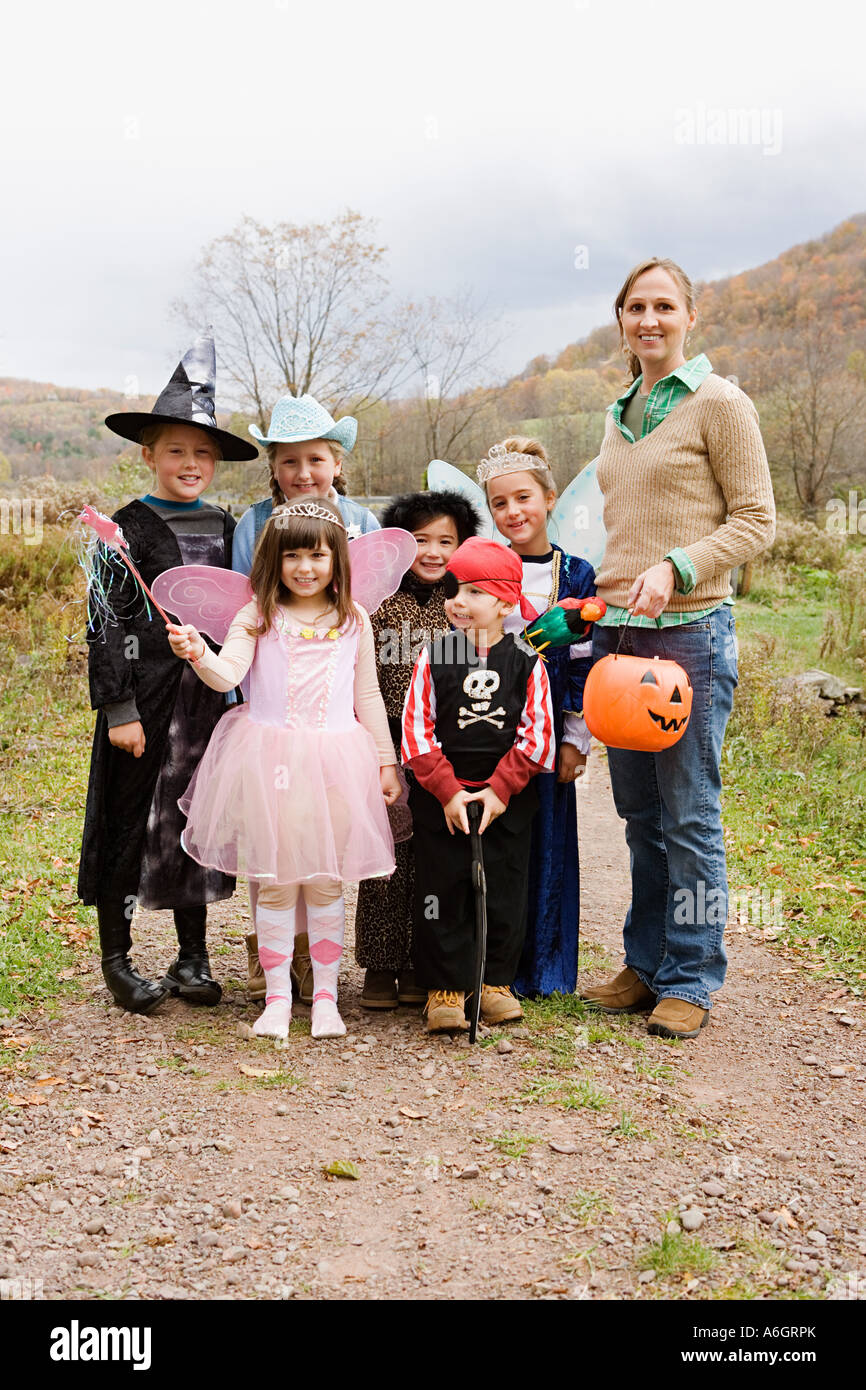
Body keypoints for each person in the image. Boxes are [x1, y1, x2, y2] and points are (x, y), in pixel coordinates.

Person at [582, 257, 776, 1039]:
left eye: (664, 306)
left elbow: (758, 519)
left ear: (690, 316)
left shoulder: (719, 403)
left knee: (688, 813)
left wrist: (678, 565)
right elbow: (625, 531)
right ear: (622, 319)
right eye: (636, 307)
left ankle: (692, 977)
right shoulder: (618, 410)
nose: (649, 319)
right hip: (620, 637)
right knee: (637, 814)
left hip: (691, 634)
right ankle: (646, 963)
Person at [168, 499, 401, 1040]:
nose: (304, 567)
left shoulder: (353, 619)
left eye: (317, 556)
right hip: (269, 761)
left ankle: (325, 997)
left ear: (336, 560)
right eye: (291, 555)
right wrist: (198, 652)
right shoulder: (258, 615)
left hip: (336, 763)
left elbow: (366, 695)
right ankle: (276, 998)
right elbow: (227, 675)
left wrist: (386, 762)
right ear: (273, 560)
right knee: (273, 884)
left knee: (324, 883)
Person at [78, 335, 259, 1014]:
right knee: (130, 818)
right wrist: (118, 706)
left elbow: (249, 611)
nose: (191, 462)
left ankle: (192, 954)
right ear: (149, 455)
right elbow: (105, 624)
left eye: (202, 452)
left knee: (200, 816)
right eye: (176, 450)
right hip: (147, 700)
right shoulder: (123, 530)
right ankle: (119, 957)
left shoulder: (229, 526)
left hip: (209, 703)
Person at [231, 393, 380, 1005]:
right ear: (273, 468)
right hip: (272, 703)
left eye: (315, 459)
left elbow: (371, 606)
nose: (302, 474)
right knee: (275, 830)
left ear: (336, 462)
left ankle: (329, 966)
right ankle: (277, 957)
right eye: (288, 461)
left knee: (330, 834)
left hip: (341, 696)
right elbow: (250, 611)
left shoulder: (364, 524)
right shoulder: (253, 524)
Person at [402, 537, 555, 1032]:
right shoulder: (434, 654)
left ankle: (493, 982)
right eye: (452, 590)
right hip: (443, 802)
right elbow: (416, 730)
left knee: (505, 888)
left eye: (472, 591)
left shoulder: (528, 660)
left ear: (506, 602)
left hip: (503, 803)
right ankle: (445, 987)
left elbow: (537, 736)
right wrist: (447, 790)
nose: (457, 601)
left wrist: (499, 789)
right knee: (441, 891)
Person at [354, 489, 480, 1010]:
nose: (432, 551)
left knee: (434, 853)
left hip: (442, 743)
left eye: (446, 541)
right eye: (419, 540)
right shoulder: (378, 599)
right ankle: (380, 965)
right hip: (384, 740)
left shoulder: (464, 603)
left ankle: (421, 964)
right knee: (387, 851)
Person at [479, 438, 596, 997]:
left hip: (548, 722)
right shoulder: (483, 567)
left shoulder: (575, 573)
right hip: (491, 718)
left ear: (550, 499)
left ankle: (543, 968)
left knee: (546, 835)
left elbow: (581, 659)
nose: (513, 512)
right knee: (499, 836)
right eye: (499, 503)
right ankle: (491, 963)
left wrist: (575, 736)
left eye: (523, 497)